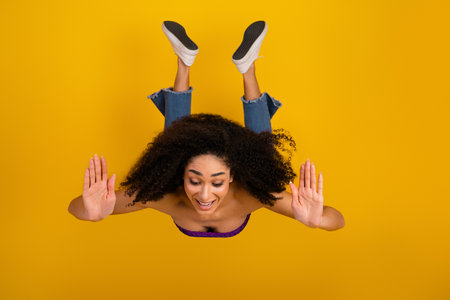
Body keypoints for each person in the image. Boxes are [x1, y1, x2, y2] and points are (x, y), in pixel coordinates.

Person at [68, 21, 345, 237]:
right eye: (195, 180)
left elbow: (337, 219)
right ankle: (245, 69)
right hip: (184, 173)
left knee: (260, 174)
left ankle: (185, 64)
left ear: (231, 177)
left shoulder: (247, 195)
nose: (204, 195)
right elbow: (76, 208)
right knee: (178, 150)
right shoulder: (165, 196)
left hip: (248, 182)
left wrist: (317, 219)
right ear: (183, 175)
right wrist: (89, 212)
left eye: (216, 182)